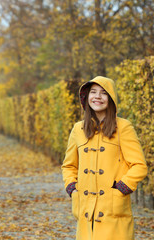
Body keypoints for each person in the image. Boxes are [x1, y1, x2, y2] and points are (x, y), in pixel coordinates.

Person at [61, 76, 147, 240]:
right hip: (85, 209)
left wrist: (122, 187)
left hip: (113, 211)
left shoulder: (123, 127)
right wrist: (73, 189)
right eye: (93, 92)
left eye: (103, 93)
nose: (97, 97)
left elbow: (139, 165)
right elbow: (69, 166)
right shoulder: (77, 129)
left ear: (111, 99)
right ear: (87, 98)